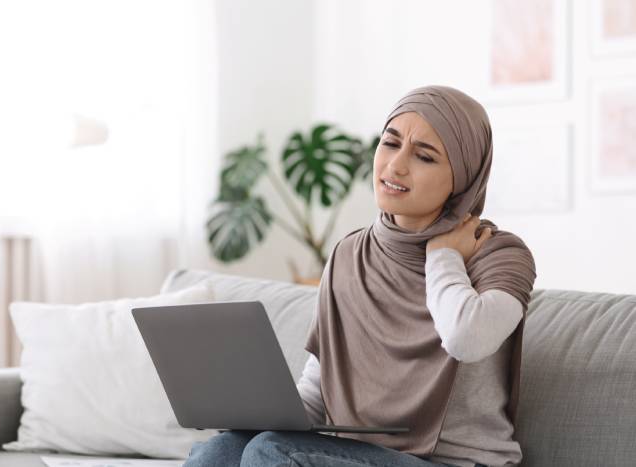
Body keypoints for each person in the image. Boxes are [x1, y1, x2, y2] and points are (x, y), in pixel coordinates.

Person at [183, 85, 537, 467]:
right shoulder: (349, 254)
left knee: (270, 452)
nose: (395, 166)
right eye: (390, 143)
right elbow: (319, 393)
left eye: (424, 156)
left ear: (464, 176)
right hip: (357, 456)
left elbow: (466, 338)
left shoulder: (498, 253)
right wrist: (252, 415)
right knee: (222, 450)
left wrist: (445, 255)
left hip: (454, 463)